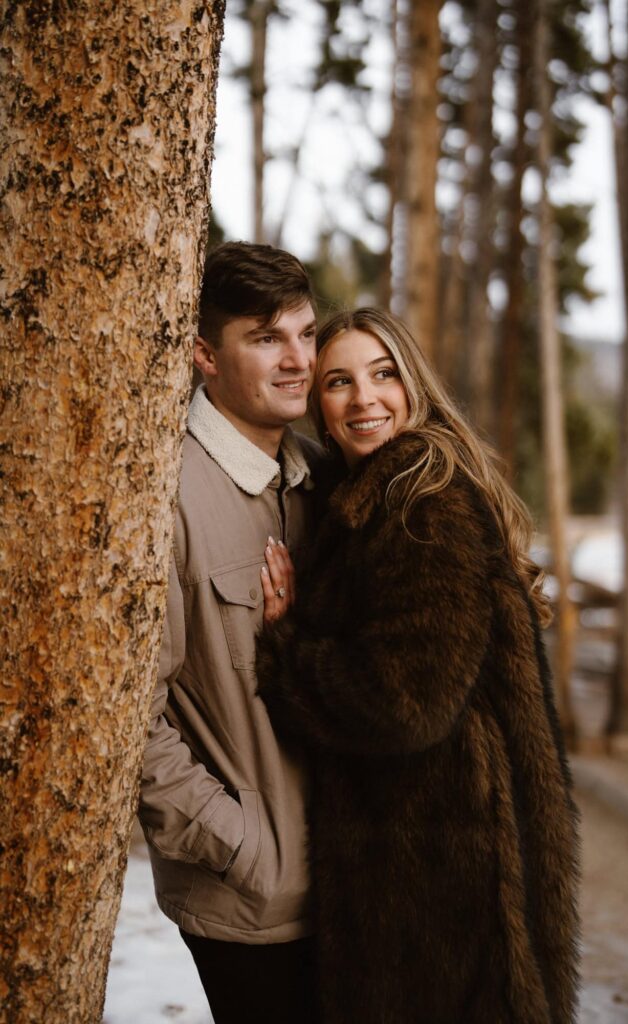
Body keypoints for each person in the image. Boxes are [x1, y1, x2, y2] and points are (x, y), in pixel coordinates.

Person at [256, 308, 581, 1024]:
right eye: (338, 382)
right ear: (320, 407)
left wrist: (284, 649)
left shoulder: (421, 504)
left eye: (383, 374)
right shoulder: (376, 499)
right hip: (433, 869)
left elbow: (403, 703)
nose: (364, 398)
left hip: (441, 888)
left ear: (414, 386)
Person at [138, 241, 323, 1024]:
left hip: (350, 890)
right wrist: (245, 847)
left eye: (307, 334)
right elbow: (130, 724)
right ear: (204, 355)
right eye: (266, 337)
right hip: (251, 906)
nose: (298, 361)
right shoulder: (163, 498)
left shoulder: (322, 478)